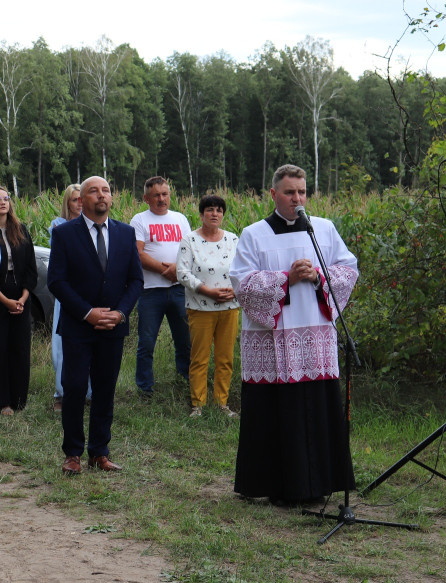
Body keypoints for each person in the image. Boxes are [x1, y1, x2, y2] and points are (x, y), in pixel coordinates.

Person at [229, 164, 359, 505]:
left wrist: (317, 275)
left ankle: (318, 485)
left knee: (316, 411)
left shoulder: (324, 230)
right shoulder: (254, 234)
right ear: (273, 194)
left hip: (315, 342)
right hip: (271, 345)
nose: (297, 199)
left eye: (301, 192)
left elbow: (348, 269)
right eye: (289, 192)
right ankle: (275, 486)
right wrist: (285, 278)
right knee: (276, 415)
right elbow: (241, 284)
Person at [47, 176, 143, 475]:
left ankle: (99, 453)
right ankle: (73, 454)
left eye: (106, 190)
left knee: (104, 390)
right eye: (93, 191)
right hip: (78, 326)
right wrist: (87, 313)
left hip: (112, 327)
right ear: (82, 199)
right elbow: (56, 281)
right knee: (74, 389)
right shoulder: (64, 234)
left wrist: (121, 313)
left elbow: (136, 280)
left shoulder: (126, 233)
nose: (101, 195)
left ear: (111, 198)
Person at [176, 195, 240, 418]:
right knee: (199, 358)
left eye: (219, 210)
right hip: (200, 307)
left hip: (230, 307)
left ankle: (222, 404)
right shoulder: (190, 240)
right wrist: (207, 290)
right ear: (201, 214)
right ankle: (198, 405)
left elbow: (242, 270)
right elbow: (182, 273)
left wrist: (236, 289)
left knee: (225, 358)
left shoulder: (233, 240)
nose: (215, 214)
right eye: (210, 210)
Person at [130, 176, 191, 397]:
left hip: (179, 289)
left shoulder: (181, 219)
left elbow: (189, 251)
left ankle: (186, 381)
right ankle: (144, 389)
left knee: (185, 340)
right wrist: (167, 271)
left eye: (164, 194)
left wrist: (178, 270)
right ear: (146, 198)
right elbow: (137, 254)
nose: (161, 199)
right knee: (146, 343)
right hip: (150, 291)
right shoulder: (139, 220)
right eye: (156, 195)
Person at [0, 185, 37, 415]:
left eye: (6, 198)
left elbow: (31, 269)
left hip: (20, 293)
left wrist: (23, 298)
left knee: (20, 347)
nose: (3, 202)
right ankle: (1, 401)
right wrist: (4, 300)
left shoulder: (20, 229)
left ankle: (18, 399)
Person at [49, 183, 85, 412]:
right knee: (63, 344)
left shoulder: (98, 224)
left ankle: (89, 393)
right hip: (67, 290)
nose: (80, 203)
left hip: (90, 292)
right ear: (67, 203)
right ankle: (62, 393)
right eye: (75, 200)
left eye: (82, 199)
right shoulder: (59, 226)